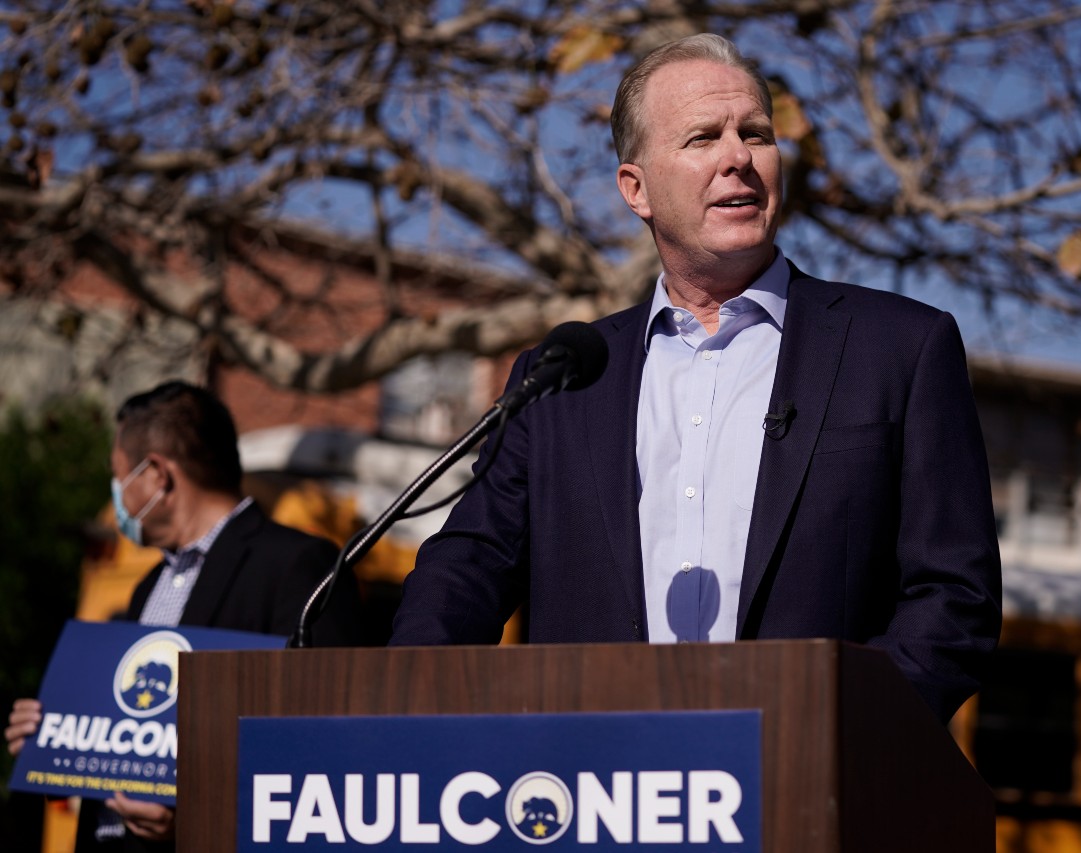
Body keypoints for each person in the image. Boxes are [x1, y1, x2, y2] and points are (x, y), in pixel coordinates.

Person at [389, 33, 1002, 723]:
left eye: (756, 134)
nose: (738, 157)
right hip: (591, 768)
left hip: (806, 767)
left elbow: (955, 599)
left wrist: (839, 731)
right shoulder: (561, 377)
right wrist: (403, 708)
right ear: (637, 189)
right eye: (703, 137)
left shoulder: (900, 349)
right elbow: (467, 568)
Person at [5, 380, 361, 851]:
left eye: (119, 476)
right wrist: (54, 738)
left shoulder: (299, 565)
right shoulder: (147, 586)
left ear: (157, 475)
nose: (117, 495)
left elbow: (318, 745)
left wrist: (193, 817)